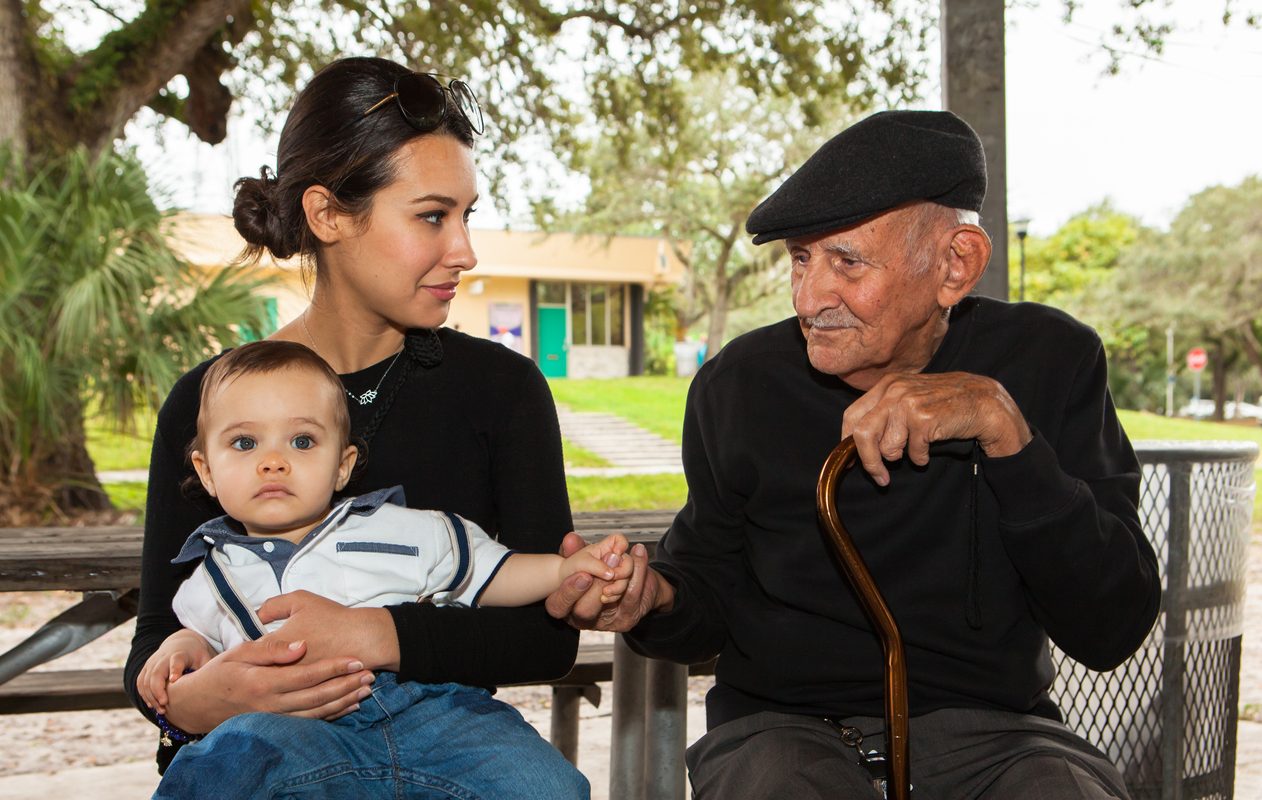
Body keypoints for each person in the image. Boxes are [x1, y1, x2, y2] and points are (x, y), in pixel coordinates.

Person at [546, 110, 1162, 799]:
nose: (810, 299)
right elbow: (708, 590)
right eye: (800, 259)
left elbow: (1112, 628)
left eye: (847, 262)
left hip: (995, 736)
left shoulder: (1050, 362)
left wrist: (1005, 432)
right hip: (782, 731)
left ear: (955, 264)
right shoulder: (741, 385)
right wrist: (651, 599)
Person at [124, 56, 589, 797]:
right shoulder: (210, 403)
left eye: (467, 216)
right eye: (432, 216)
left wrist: (376, 633)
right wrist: (194, 704)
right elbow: (160, 638)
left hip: (444, 755)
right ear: (328, 215)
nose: (465, 251)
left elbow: (544, 636)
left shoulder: (501, 390)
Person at [137, 341, 627, 796]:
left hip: (436, 711)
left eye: (302, 441)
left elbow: (493, 572)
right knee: (223, 765)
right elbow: (201, 637)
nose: (273, 461)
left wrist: (564, 572)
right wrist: (181, 648)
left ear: (343, 465)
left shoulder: (402, 528)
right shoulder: (210, 575)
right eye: (245, 443)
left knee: (548, 783)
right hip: (293, 726)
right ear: (206, 472)